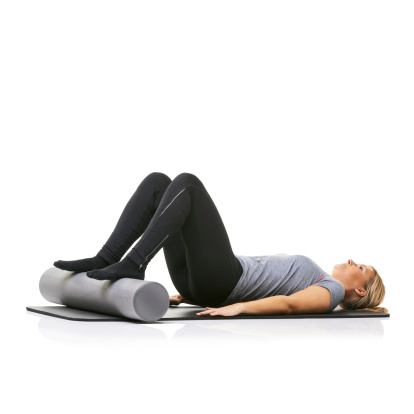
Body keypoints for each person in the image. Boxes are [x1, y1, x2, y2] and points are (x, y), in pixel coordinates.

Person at [53, 172, 387, 317]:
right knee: (160, 184)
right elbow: (269, 285)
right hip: (202, 283)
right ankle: (106, 257)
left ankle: (134, 263)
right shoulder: (319, 277)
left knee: (189, 186)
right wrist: (186, 294)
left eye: (361, 268)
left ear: (359, 291)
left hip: (222, 282)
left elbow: (289, 305)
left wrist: (239, 308)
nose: (351, 260)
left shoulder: (329, 290)